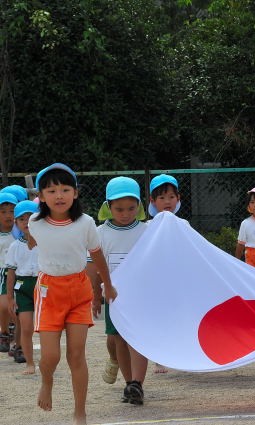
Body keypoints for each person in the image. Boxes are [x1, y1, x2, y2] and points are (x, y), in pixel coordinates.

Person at [28, 163, 117, 425]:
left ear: (75, 193)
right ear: (41, 196)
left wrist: (107, 286)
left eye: (65, 189)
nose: (59, 195)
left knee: (76, 354)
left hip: (79, 290)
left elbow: (97, 256)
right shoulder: (35, 222)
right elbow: (31, 239)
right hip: (49, 291)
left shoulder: (86, 223)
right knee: (50, 357)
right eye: (51, 190)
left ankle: (80, 412)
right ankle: (47, 382)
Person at [89, 177, 149, 405]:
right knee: (119, 340)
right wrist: (95, 297)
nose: (125, 213)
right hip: (113, 298)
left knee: (137, 340)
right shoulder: (99, 233)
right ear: (108, 207)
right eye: (119, 209)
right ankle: (128, 383)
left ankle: (137, 383)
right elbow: (93, 269)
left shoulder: (147, 230)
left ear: (139, 206)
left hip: (140, 297)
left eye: (131, 208)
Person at [148, 174, 181, 374]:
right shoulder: (148, 227)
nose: (167, 201)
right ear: (153, 201)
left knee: (173, 318)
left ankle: (173, 354)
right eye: (161, 197)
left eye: (170, 196)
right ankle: (158, 357)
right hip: (154, 283)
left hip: (175, 281)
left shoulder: (183, 225)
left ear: (178, 198)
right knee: (156, 319)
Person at [5, 200, 40, 372]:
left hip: (43, 286)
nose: (26, 222)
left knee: (49, 327)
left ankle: (49, 358)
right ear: (16, 223)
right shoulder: (14, 246)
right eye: (22, 219)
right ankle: (30, 363)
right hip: (23, 287)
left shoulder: (46, 242)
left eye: (31, 217)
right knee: (26, 327)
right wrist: (10, 297)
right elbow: (10, 273)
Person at [0, 192, 18, 353]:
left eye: (12, 211)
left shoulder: (20, 232)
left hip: (19, 273)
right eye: (3, 211)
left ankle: (17, 341)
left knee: (19, 308)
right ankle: (4, 333)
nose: (8, 215)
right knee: (4, 306)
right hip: (2, 273)